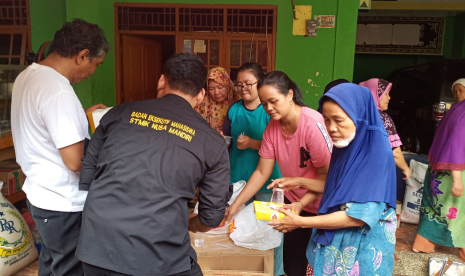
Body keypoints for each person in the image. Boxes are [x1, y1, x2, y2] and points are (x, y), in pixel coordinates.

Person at [75, 53, 231, 276]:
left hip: (98, 251)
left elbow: (88, 177)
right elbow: (211, 217)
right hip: (161, 259)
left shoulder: (117, 114)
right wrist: (189, 224)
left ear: (161, 81)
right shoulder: (213, 142)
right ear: (201, 96)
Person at [11, 19, 108, 276]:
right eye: (95, 64)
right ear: (82, 55)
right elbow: (76, 161)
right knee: (70, 270)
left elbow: (41, 124)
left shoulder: (28, 76)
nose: (92, 72)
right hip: (63, 203)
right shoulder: (58, 91)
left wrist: (80, 116)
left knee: (52, 265)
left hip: (40, 194)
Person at [269, 83, 397, 276]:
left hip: (359, 252)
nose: (331, 128)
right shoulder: (346, 146)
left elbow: (357, 216)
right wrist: (299, 198)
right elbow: (334, 188)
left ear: (359, 117)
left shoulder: (376, 153)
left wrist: (300, 222)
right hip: (335, 246)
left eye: (338, 120)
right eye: (327, 120)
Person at [224, 71, 332, 276]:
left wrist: (301, 202)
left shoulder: (312, 126)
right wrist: (236, 204)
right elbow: (262, 172)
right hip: (292, 206)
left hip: (321, 208)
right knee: (293, 265)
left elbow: (327, 179)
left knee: (317, 266)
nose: (269, 108)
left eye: (273, 101)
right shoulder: (273, 129)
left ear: (290, 94)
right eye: (264, 103)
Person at [222, 62, 283, 275]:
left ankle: (274, 270)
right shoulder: (234, 109)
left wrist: (252, 143)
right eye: (239, 85)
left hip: (268, 177)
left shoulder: (269, 110)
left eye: (248, 84)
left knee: (271, 226)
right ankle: (244, 267)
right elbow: (227, 139)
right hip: (238, 175)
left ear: (260, 83)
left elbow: (278, 146)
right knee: (238, 224)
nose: (243, 89)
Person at [412, 78, 465, 262]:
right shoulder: (463, 110)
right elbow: (457, 144)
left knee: (435, 209)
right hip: (454, 171)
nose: (458, 94)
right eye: (456, 91)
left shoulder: (455, 110)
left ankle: (422, 244)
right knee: (456, 211)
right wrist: (458, 178)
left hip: (441, 171)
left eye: (461, 90)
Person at [360, 78, 411, 180]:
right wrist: (405, 168)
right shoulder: (382, 118)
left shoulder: (355, 114)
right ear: (375, 94)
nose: (389, 98)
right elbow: (394, 151)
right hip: (373, 173)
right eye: (386, 94)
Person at [195, 67, 241, 133]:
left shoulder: (239, 103)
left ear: (227, 86)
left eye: (220, 87)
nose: (216, 92)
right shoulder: (202, 105)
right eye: (211, 89)